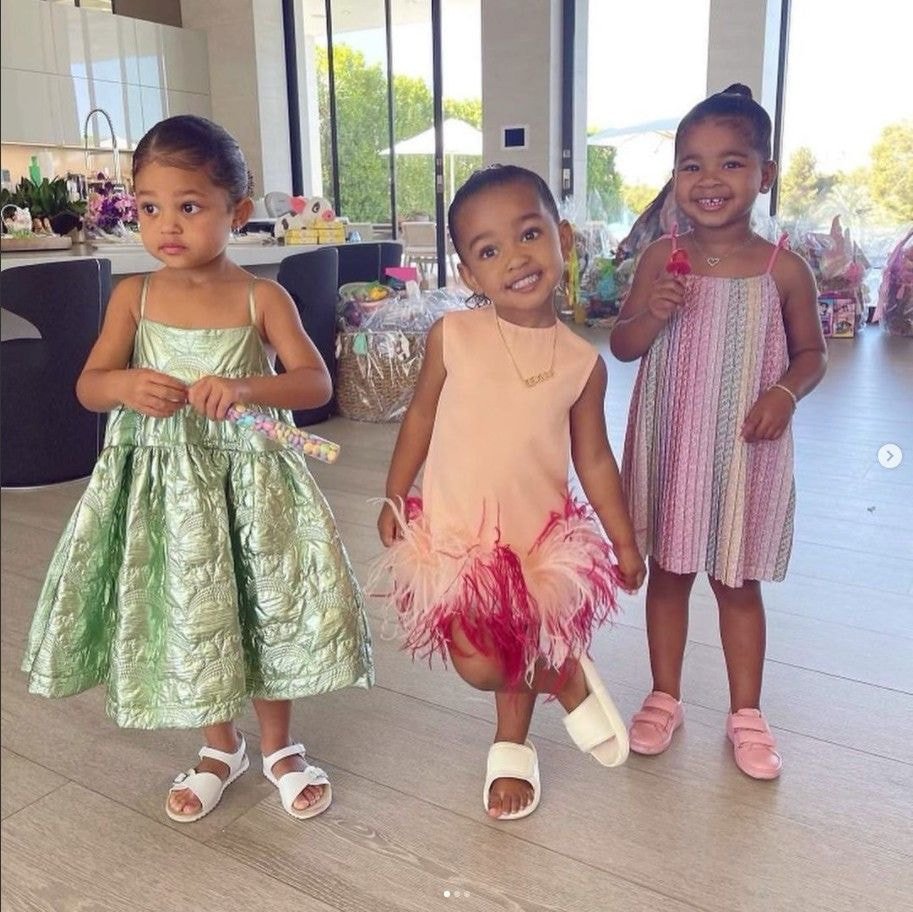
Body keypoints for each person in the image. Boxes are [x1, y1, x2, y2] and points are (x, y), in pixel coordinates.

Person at [21, 115, 374, 822]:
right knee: (192, 606)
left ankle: (279, 746)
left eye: (188, 206)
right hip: (167, 488)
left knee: (262, 600)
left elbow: (314, 383)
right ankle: (220, 747)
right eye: (150, 208)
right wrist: (125, 385)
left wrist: (246, 388)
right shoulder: (135, 297)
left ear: (236, 213)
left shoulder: (260, 297)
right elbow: (89, 385)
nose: (167, 226)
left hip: (250, 480)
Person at [373, 164, 646, 820]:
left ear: (562, 239)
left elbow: (594, 459)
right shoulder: (454, 336)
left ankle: (511, 745)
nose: (515, 258)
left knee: (517, 635)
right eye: (489, 251)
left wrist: (623, 541)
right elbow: (420, 416)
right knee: (480, 662)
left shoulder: (581, 363)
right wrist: (394, 491)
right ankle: (564, 675)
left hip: (533, 537)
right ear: (469, 274)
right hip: (455, 537)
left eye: (529, 234)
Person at [610, 84, 827, 780]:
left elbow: (812, 354)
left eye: (731, 163)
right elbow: (622, 346)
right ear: (674, 178)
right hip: (672, 445)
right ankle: (663, 696)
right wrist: (653, 313)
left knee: (737, 583)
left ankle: (746, 713)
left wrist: (784, 393)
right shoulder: (659, 258)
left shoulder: (782, 269)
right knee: (669, 574)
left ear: (765, 174)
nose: (709, 180)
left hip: (743, 451)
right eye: (690, 165)